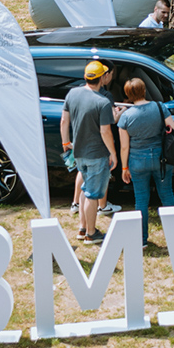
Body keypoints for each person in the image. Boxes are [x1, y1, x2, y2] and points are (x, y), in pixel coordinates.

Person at [117, 76, 174, 247]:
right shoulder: (160, 107)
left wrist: (124, 167)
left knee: (141, 199)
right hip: (161, 158)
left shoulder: (126, 117)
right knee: (167, 195)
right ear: (144, 90)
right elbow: (173, 129)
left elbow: (124, 147)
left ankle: (142, 239)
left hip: (137, 160)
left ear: (128, 94)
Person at [61, 60, 117, 245]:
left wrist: (66, 142)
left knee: (86, 189)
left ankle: (82, 228)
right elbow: (105, 132)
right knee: (93, 194)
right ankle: (91, 234)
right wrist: (113, 154)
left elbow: (64, 121)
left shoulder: (73, 93)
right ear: (102, 78)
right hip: (97, 154)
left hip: (78, 152)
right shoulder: (102, 102)